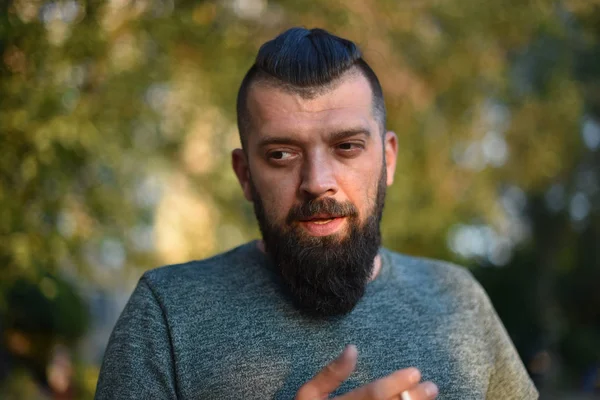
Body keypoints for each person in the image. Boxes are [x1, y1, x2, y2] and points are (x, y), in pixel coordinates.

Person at [95, 27, 538, 399]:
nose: (316, 181)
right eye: (282, 154)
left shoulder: (459, 300)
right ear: (244, 174)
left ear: (389, 160)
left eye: (346, 147)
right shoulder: (167, 313)